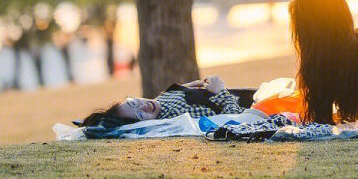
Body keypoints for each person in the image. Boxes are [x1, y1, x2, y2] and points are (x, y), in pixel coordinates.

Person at [76, 75, 253, 128]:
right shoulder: (177, 117)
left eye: (133, 102)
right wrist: (220, 91)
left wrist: (192, 85)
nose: (143, 105)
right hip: (251, 104)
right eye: (140, 114)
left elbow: (176, 92)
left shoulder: (159, 101)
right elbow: (235, 119)